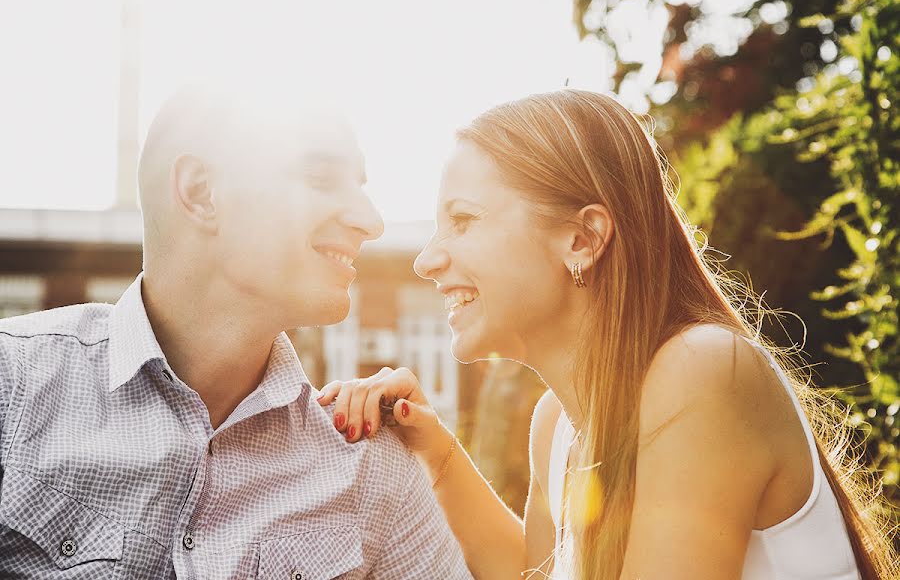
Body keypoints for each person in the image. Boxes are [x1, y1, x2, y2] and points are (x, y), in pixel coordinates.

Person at [317, 89, 898, 579]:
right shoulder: (557, 425)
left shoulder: (703, 372)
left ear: (582, 238)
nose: (426, 261)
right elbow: (537, 569)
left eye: (463, 220)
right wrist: (437, 453)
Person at [0, 83, 473, 579]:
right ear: (201, 192)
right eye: (320, 178)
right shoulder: (13, 388)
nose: (370, 221)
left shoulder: (373, 470)